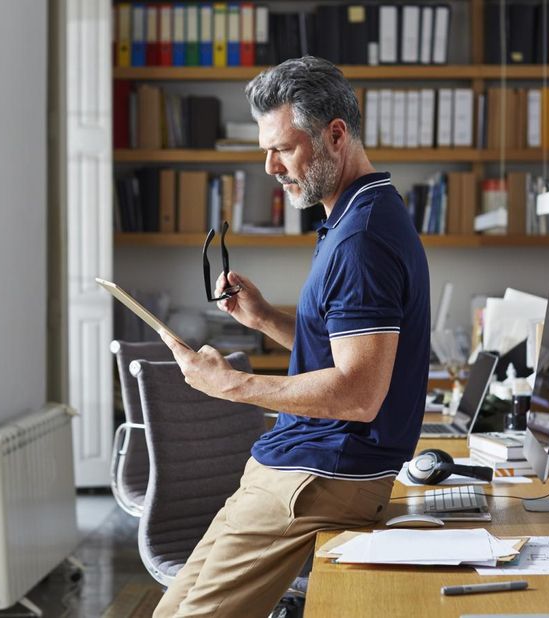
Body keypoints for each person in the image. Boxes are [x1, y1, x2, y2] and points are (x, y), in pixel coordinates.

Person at [155, 56, 431, 617]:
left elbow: (358, 393)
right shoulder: (352, 216)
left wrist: (231, 385)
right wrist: (264, 320)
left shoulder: (362, 239)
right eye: (265, 149)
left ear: (335, 135)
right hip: (296, 461)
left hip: (318, 472)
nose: (269, 166)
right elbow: (343, 351)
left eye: (282, 148)